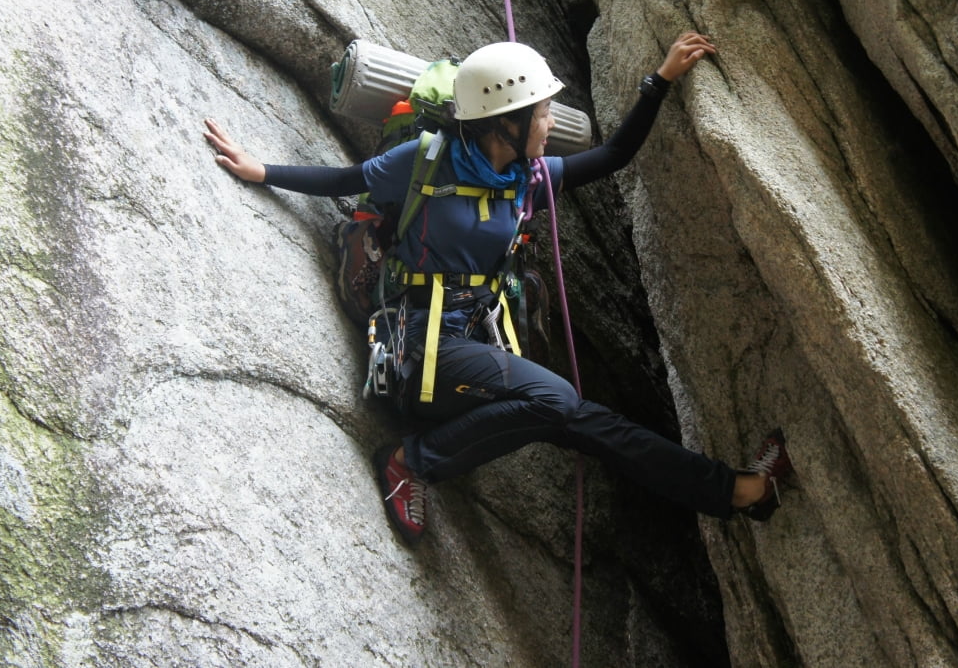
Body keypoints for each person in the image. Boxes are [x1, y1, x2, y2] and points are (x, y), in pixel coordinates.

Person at [202, 32, 792, 545]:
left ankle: (739, 491)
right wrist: (263, 171)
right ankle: (412, 462)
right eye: (541, 112)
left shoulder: (527, 179)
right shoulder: (427, 162)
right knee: (559, 402)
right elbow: (350, 179)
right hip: (419, 348)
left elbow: (614, 155)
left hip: (470, 348)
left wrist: (658, 81)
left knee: (575, 418)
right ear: (503, 122)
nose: (551, 122)